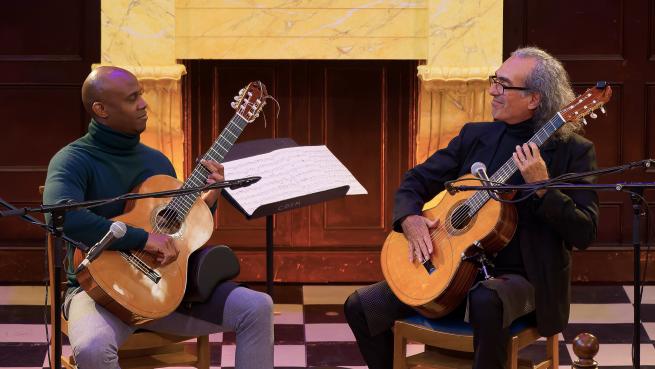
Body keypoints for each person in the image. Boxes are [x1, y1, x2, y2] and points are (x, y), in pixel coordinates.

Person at [344, 47, 600, 369]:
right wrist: (410, 219)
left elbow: (585, 231)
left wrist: (542, 188)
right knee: (361, 306)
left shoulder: (573, 152)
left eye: (503, 85)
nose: (492, 90)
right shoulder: (476, 136)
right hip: (451, 272)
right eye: (495, 80)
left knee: (485, 299)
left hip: (525, 282)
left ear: (534, 99)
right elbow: (416, 180)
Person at [43, 66, 273, 369]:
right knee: (92, 347)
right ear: (101, 109)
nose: (143, 104)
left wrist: (209, 200)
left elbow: (176, 230)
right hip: (100, 293)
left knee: (258, 307)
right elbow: (63, 218)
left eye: (141, 94)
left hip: (165, 292)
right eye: (132, 98)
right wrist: (142, 238)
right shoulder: (73, 160)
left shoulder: (156, 161)